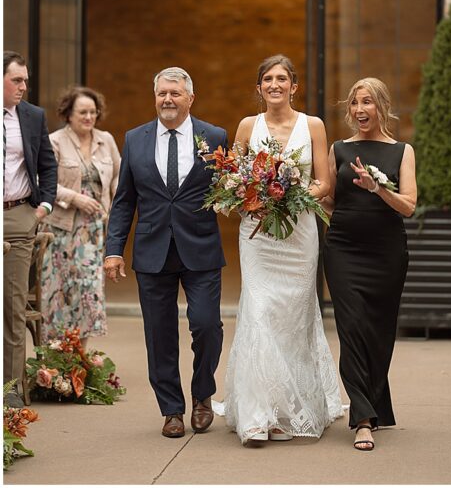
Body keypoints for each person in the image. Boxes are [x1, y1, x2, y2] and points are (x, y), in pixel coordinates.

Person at [217, 55, 345, 446]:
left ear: (294, 86)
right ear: (259, 88)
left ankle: (290, 408)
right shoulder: (246, 126)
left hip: (300, 232)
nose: (275, 85)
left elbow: (324, 184)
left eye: (282, 79)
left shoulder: (314, 126)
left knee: (293, 316)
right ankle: (258, 416)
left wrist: (291, 196)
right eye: (268, 79)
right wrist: (249, 195)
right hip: (259, 234)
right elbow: (230, 178)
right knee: (259, 309)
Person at [103, 67, 229, 439]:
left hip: (201, 249)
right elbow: (124, 201)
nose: (168, 100)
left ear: (190, 98)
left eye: (175, 93)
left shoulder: (215, 136)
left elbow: (230, 189)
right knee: (159, 335)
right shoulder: (135, 139)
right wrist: (114, 250)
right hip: (152, 250)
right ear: (155, 97)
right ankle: (172, 409)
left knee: (207, 325)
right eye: (162, 93)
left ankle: (202, 394)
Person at [323, 77, 416, 452]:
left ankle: (377, 404)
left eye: (368, 103)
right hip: (343, 249)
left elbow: (409, 206)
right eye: (354, 104)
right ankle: (362, 418)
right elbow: (327, 199)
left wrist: (378, 188)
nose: (360, 110)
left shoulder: (402, 152)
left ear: (382, 106)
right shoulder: (339, 149)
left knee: (378, 332)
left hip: (387, 252)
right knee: (352, 328)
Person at [37, 86, 121, 346]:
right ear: (68, 114)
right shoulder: (55, 141)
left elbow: (119, 175)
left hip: (94, 231)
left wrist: (116, 204)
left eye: (93, 112)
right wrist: (75, 198)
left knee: (88, 292)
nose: (88, 117)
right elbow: (43, 181)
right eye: (82, 112)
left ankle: (80, 361)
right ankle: (56, 361)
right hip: (61, 230)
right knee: (59, 294)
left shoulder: (105, 140)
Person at [3, 51, 57, 406]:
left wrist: (43, 208)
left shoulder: (33, 116)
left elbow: (48, 166)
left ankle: (11, 393)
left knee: (13, 306)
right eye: (17, 80)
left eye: (25, 80)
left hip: (19, 216)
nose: (24, 86)